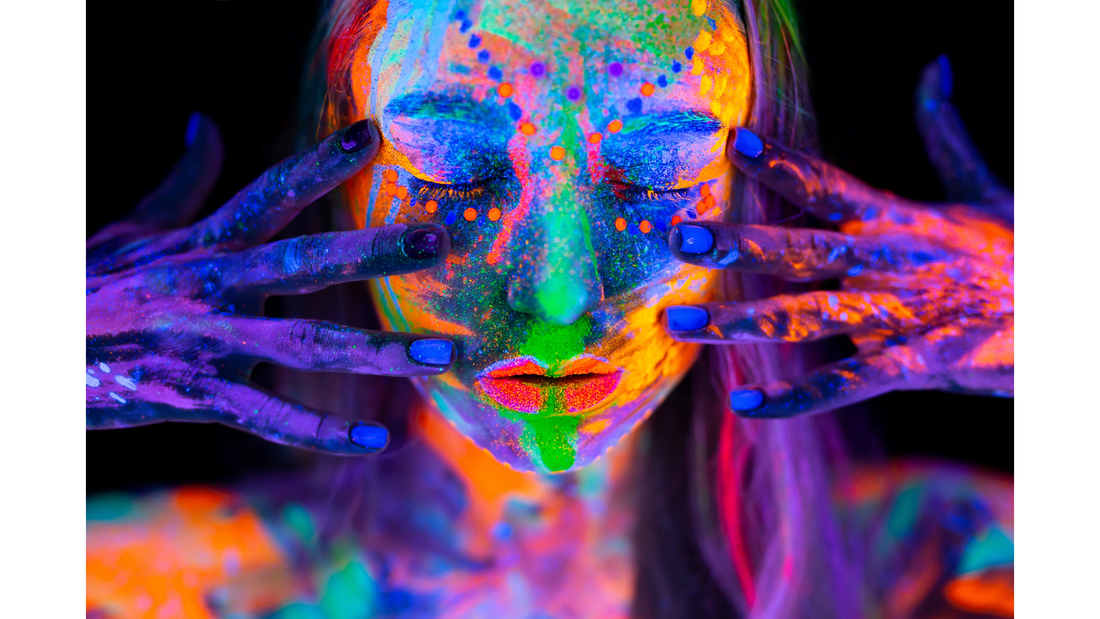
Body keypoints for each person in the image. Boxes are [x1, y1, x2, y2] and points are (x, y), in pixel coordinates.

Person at [86, 0, 1014, 617]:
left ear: (751, 191)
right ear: (335, 185)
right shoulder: (135, 584)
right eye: (453, 164)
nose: (559, 290)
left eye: (658, 170)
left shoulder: (944, 560)